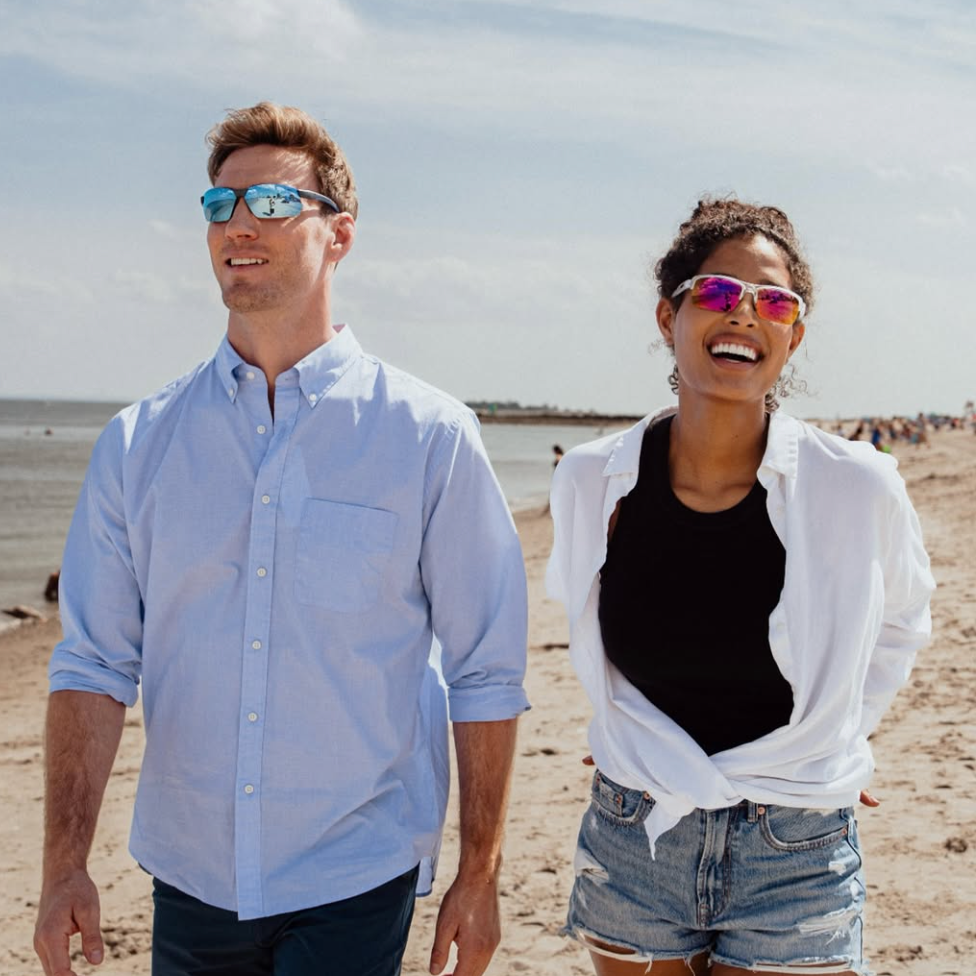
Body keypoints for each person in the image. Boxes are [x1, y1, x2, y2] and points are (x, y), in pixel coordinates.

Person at [34, 102, 529, 976]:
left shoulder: (429, 436)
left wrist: (478, 873)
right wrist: (63, 863)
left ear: (338, 236)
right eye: (219, 206)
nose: (237, 226)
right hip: (189, 878)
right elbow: (94, 664)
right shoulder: (139, 441)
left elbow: (485, 667)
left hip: (356, 872)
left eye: (268, 202)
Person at [546, 198, 934, 976]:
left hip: (797, 844)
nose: (745, 315)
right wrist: (637, 738)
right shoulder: (593, 479)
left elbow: (904, 619)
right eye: (719, 294)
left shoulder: (858, 486)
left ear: (793, 334)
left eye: (775, 302)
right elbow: (591, 639)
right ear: (670, 316)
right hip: (637, 834)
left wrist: (840, 734)